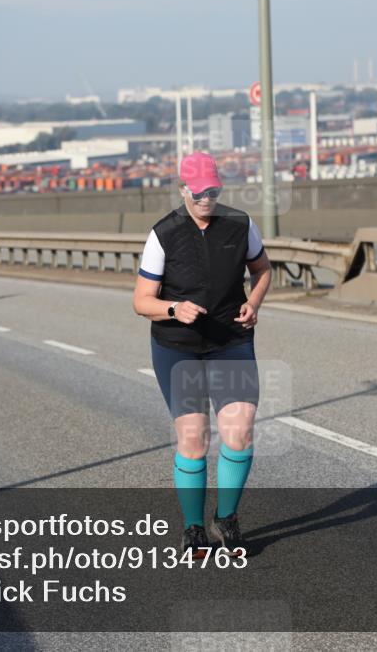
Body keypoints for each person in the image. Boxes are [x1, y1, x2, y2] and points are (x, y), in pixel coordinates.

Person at [132, 151, 271, 558]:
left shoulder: (240, 224)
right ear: (183, 190)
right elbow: (142, 301)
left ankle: (226, 518)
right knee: (194, 438)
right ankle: (193, 528)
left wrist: (255, 302)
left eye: (213, 191)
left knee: (240, 430)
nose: (206, 199)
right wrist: (174, 308)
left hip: (230, 340)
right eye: (198, 192)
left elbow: (263, 269)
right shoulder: (164, 234)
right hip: (179, 348)